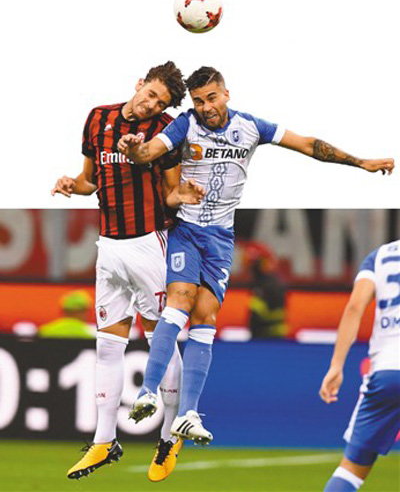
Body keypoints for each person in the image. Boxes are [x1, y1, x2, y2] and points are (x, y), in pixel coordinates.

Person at [118, 66, 395, 448]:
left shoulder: (250, 127)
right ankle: (148, 391)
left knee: (206, 318)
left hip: (220, 239)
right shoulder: (186, 125)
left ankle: (187, 414)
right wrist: (133, 149)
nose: (205, 107)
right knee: (179, 301)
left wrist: (360, 162)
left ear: (226, 94)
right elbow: (148, 152)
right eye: (198, 101)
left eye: (211, 98)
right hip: (186, 229)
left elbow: (308, 145)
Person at [51, 61, 205, 482]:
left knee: (161, 342)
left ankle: (169, 437)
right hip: (109, 247)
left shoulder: (165, 131)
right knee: (107, 345)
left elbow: (170, 192)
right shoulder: (97, 119)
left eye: (160, 102)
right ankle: (104, 441)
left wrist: (183, 195)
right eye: (150, 94)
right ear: (139, 84)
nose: (151, 104)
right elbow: (91, 180)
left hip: (148, 244)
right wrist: (72, 185)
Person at [319, 240, 400, 491]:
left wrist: (336, 365)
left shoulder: (380, 256)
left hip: (388, 369)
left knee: (352, 469)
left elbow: (355, 307)